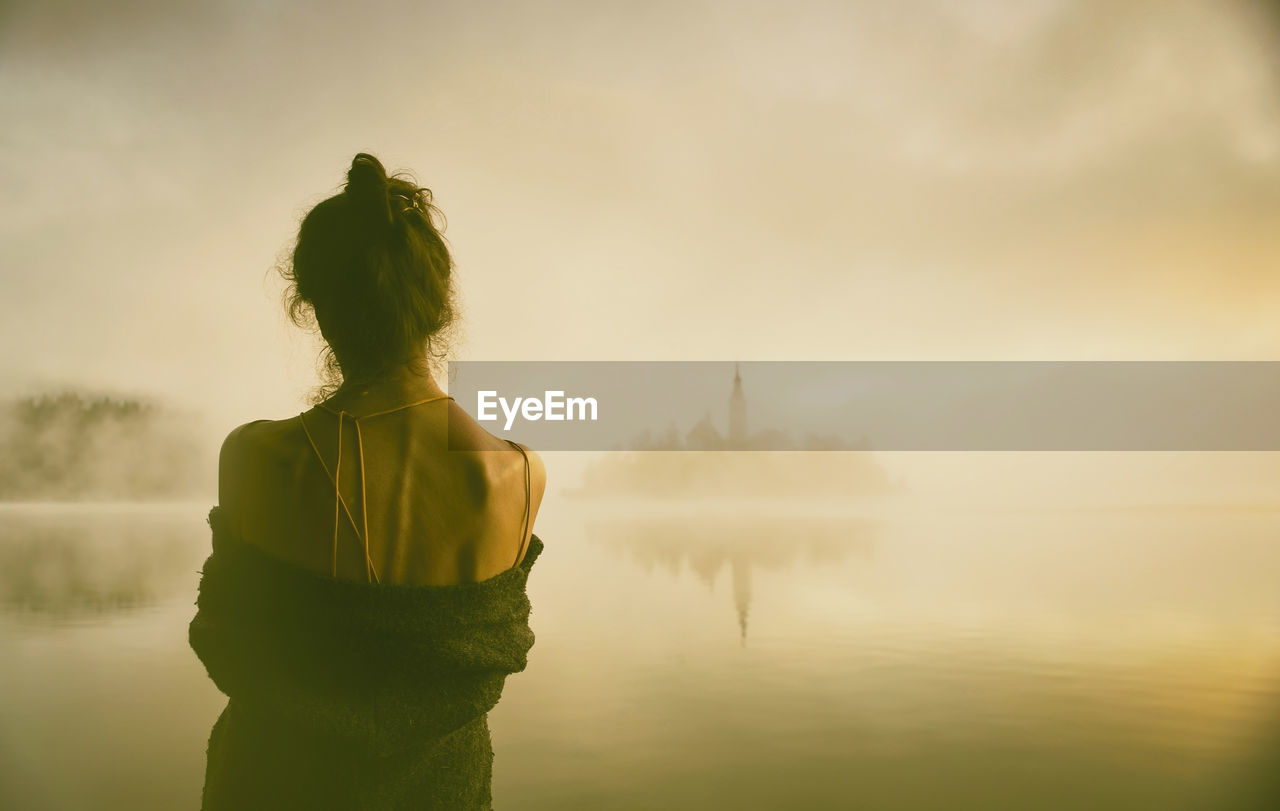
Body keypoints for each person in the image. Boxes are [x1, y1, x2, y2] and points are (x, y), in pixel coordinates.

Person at [189, 153, 546, 810]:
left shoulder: (257, 457)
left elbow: (226, 644)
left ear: (316, 308)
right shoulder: (517, 473)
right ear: (439, 307)